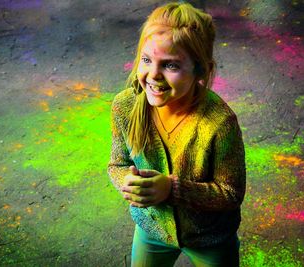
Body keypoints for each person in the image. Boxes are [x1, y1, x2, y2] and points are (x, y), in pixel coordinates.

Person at [108, 2, 246, 267]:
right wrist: (128, 181)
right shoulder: (124, 106)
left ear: (200, 70)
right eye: (147, 60)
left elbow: (230, 193)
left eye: (170, 66)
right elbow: (117, 164)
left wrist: (171, 190)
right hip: (152, 230)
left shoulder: (219, 123)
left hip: (211, 240)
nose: (153, 75)